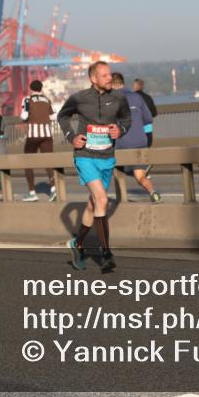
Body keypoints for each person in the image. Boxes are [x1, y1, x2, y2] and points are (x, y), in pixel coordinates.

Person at [57, 61, 132, 273]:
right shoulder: (80, 98)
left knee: (93, 205)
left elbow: (127, 118)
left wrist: (121, 130)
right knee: (102, 199)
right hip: (85, 156)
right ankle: (106, 253)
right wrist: (72, 136)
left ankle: (77, 243)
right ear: (93, 78)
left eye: (110, 74)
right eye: (105, 75)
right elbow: (62, 116)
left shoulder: (118, 98)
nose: (110, 78)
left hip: (107, 157)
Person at [112, 72, 161, 203]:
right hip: (140, 141)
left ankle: (121, 202)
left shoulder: (111, 100)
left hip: (122, 143)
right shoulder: (137, 97)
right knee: (140, 175)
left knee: (114, 171)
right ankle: (153, 192)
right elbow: (148, 119)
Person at [20, 80, 58, 202]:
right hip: (47, 134)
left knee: (28, 162)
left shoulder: (27, 99)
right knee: (49, 162)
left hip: (33, 135)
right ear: (41, 88)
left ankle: (32, 192)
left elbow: (24, 116)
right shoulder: (47, 100)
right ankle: (53, 189)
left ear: (31, 88)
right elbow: (53, 116)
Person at [132, 79, 158, 147]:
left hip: (135, 128)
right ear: (143, 86)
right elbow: (154, 113)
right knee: (147, 147)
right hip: (147, 128)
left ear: (135, 86)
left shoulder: (131, 98)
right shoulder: (148, 98)